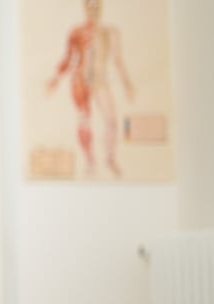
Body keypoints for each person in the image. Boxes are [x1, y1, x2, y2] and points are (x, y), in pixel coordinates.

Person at [47, 0, 135, 178]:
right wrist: (55, 79)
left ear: (102, 7)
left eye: (97, 6)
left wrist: (127, 84)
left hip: (101, 82)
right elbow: (68, 59)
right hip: (81, 82)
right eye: (89, 6)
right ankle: (89, 161)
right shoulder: (77, 32)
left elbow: (117, 60)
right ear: (84, 8)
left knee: (111, 121)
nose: (93, 10)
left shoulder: (110, 32)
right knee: (84, 122)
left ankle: (110, 159)